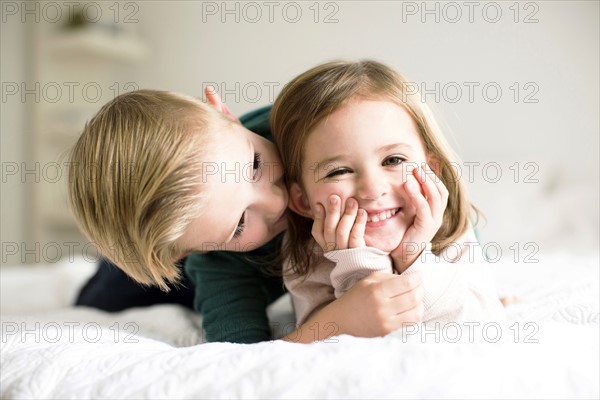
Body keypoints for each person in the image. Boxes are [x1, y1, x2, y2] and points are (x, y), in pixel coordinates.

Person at [69, 88, 424, 344]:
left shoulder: (315, 128)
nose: (276, 201)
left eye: (254, 166)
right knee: (108, 293)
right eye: (239, 223)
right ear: (195, 249)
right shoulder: (218, 264)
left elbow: (434, 191)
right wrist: (335, 322)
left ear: (225, 113)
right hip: (182, 275)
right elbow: (241, 355)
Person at [270, 60, 505, 327]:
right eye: (338, 171)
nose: (372, 190)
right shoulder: (307, 253)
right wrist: (359, 266)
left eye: (393, 160)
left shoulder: (449, 230)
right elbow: (328, 339)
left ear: (431, 171)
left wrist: (413, 255)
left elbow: (485, 324)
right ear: (303, 201)